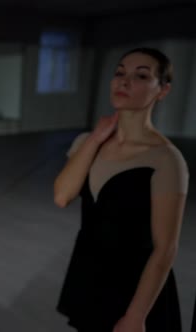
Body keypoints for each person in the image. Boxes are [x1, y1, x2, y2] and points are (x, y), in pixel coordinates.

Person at [53, 47, 189, 332]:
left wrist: (136, 317)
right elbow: (62, 196)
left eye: (141, 76)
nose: (124, 82)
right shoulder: (86, 142)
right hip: (90, 277)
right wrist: (95, 139)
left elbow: (166, 248)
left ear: (162, 90)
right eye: (120, 73)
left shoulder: (167, 159)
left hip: (135, 288)